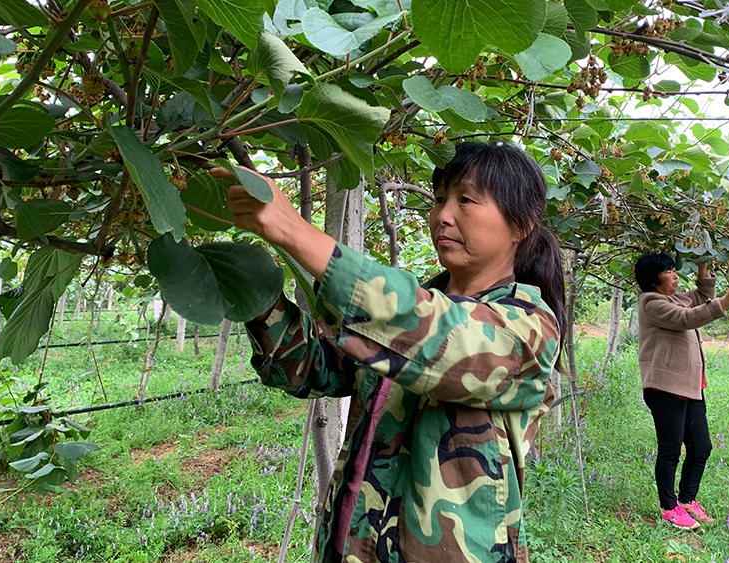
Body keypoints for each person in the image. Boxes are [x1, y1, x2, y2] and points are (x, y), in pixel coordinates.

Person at [211, 141, 565, 562]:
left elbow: (442, 338)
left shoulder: (528, 327)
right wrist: (251, 289)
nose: (443, 216)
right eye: (439, 200)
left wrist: (294, 231)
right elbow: (310, 367)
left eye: (466, 200)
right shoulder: (400, 316)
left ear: (521, 225)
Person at [634, 253, 729, 530]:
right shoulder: (652, 303)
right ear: (654, 280)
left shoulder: (675, 297)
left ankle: (687, 500)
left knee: (701, 447)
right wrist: (727, 301)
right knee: (670, 450)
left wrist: (703, 266)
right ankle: (668, 507)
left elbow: (700, 295)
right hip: (664, 387)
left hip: (690, 385)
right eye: (669, 272)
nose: (675, 275)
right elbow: (688, 318)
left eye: (675, 270)